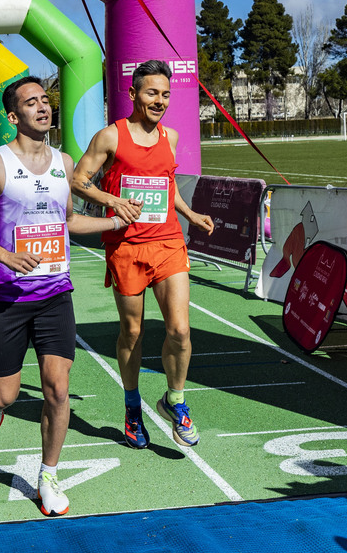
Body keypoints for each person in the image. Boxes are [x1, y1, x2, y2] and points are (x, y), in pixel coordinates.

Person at [0, 76, 127, 517]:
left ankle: (48, 476)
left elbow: (69, 222)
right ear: (13, 116)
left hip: (55, 294)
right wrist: (6, 256)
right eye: (32, 103)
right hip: (8, 299)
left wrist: (111, 222)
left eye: (45, 100)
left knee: (57, 389)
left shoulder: (66, 163)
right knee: (6, 395)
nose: (43, 108)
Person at [71, 59, 215, 449]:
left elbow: (167, 185)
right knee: (132, 331)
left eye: (166, 94)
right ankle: (132, 407)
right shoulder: (110, 137)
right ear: (133, 93)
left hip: (168, 242)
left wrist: (190, 213)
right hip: (126, 247)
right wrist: (112, 201)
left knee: (180, 330)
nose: (160, 100)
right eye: (152, 92)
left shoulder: (169, 137)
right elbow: (78, 179)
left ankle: (176, 401)